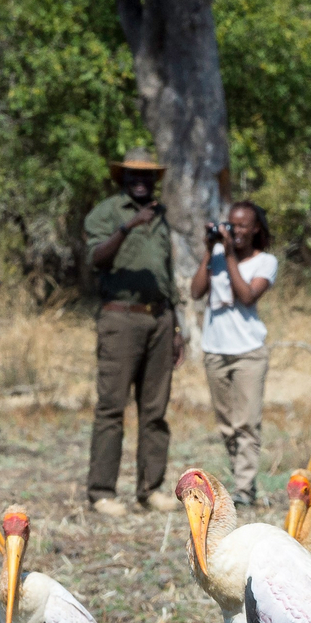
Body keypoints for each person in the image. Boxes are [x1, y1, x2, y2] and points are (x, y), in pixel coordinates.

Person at [83, 147, 184, 517]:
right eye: (133, 176)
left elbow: (167, 274)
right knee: (111, 407)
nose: (141, 182)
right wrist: (129, 226)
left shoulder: (161, 217)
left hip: (159, 318)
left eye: (147, 176)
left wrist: (176, 326)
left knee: (155, 409)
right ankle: (102, 492)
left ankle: (151, 488)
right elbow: (96, 258)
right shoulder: (107, 213)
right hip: (120, 318)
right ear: (123, 178)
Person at [189, 201, 278, 507]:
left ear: (255, 229)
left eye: (243, 226)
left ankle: (245, 487)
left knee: (247, 422)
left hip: (248, 352)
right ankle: (238, 479)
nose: (236, 231)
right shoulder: (215, 256)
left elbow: (247, 295)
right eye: (232, 224)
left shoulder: (265, 261)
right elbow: (196, 292)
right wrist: (208, 250)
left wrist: (227, 255)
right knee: (227, 423)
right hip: (215, 349)